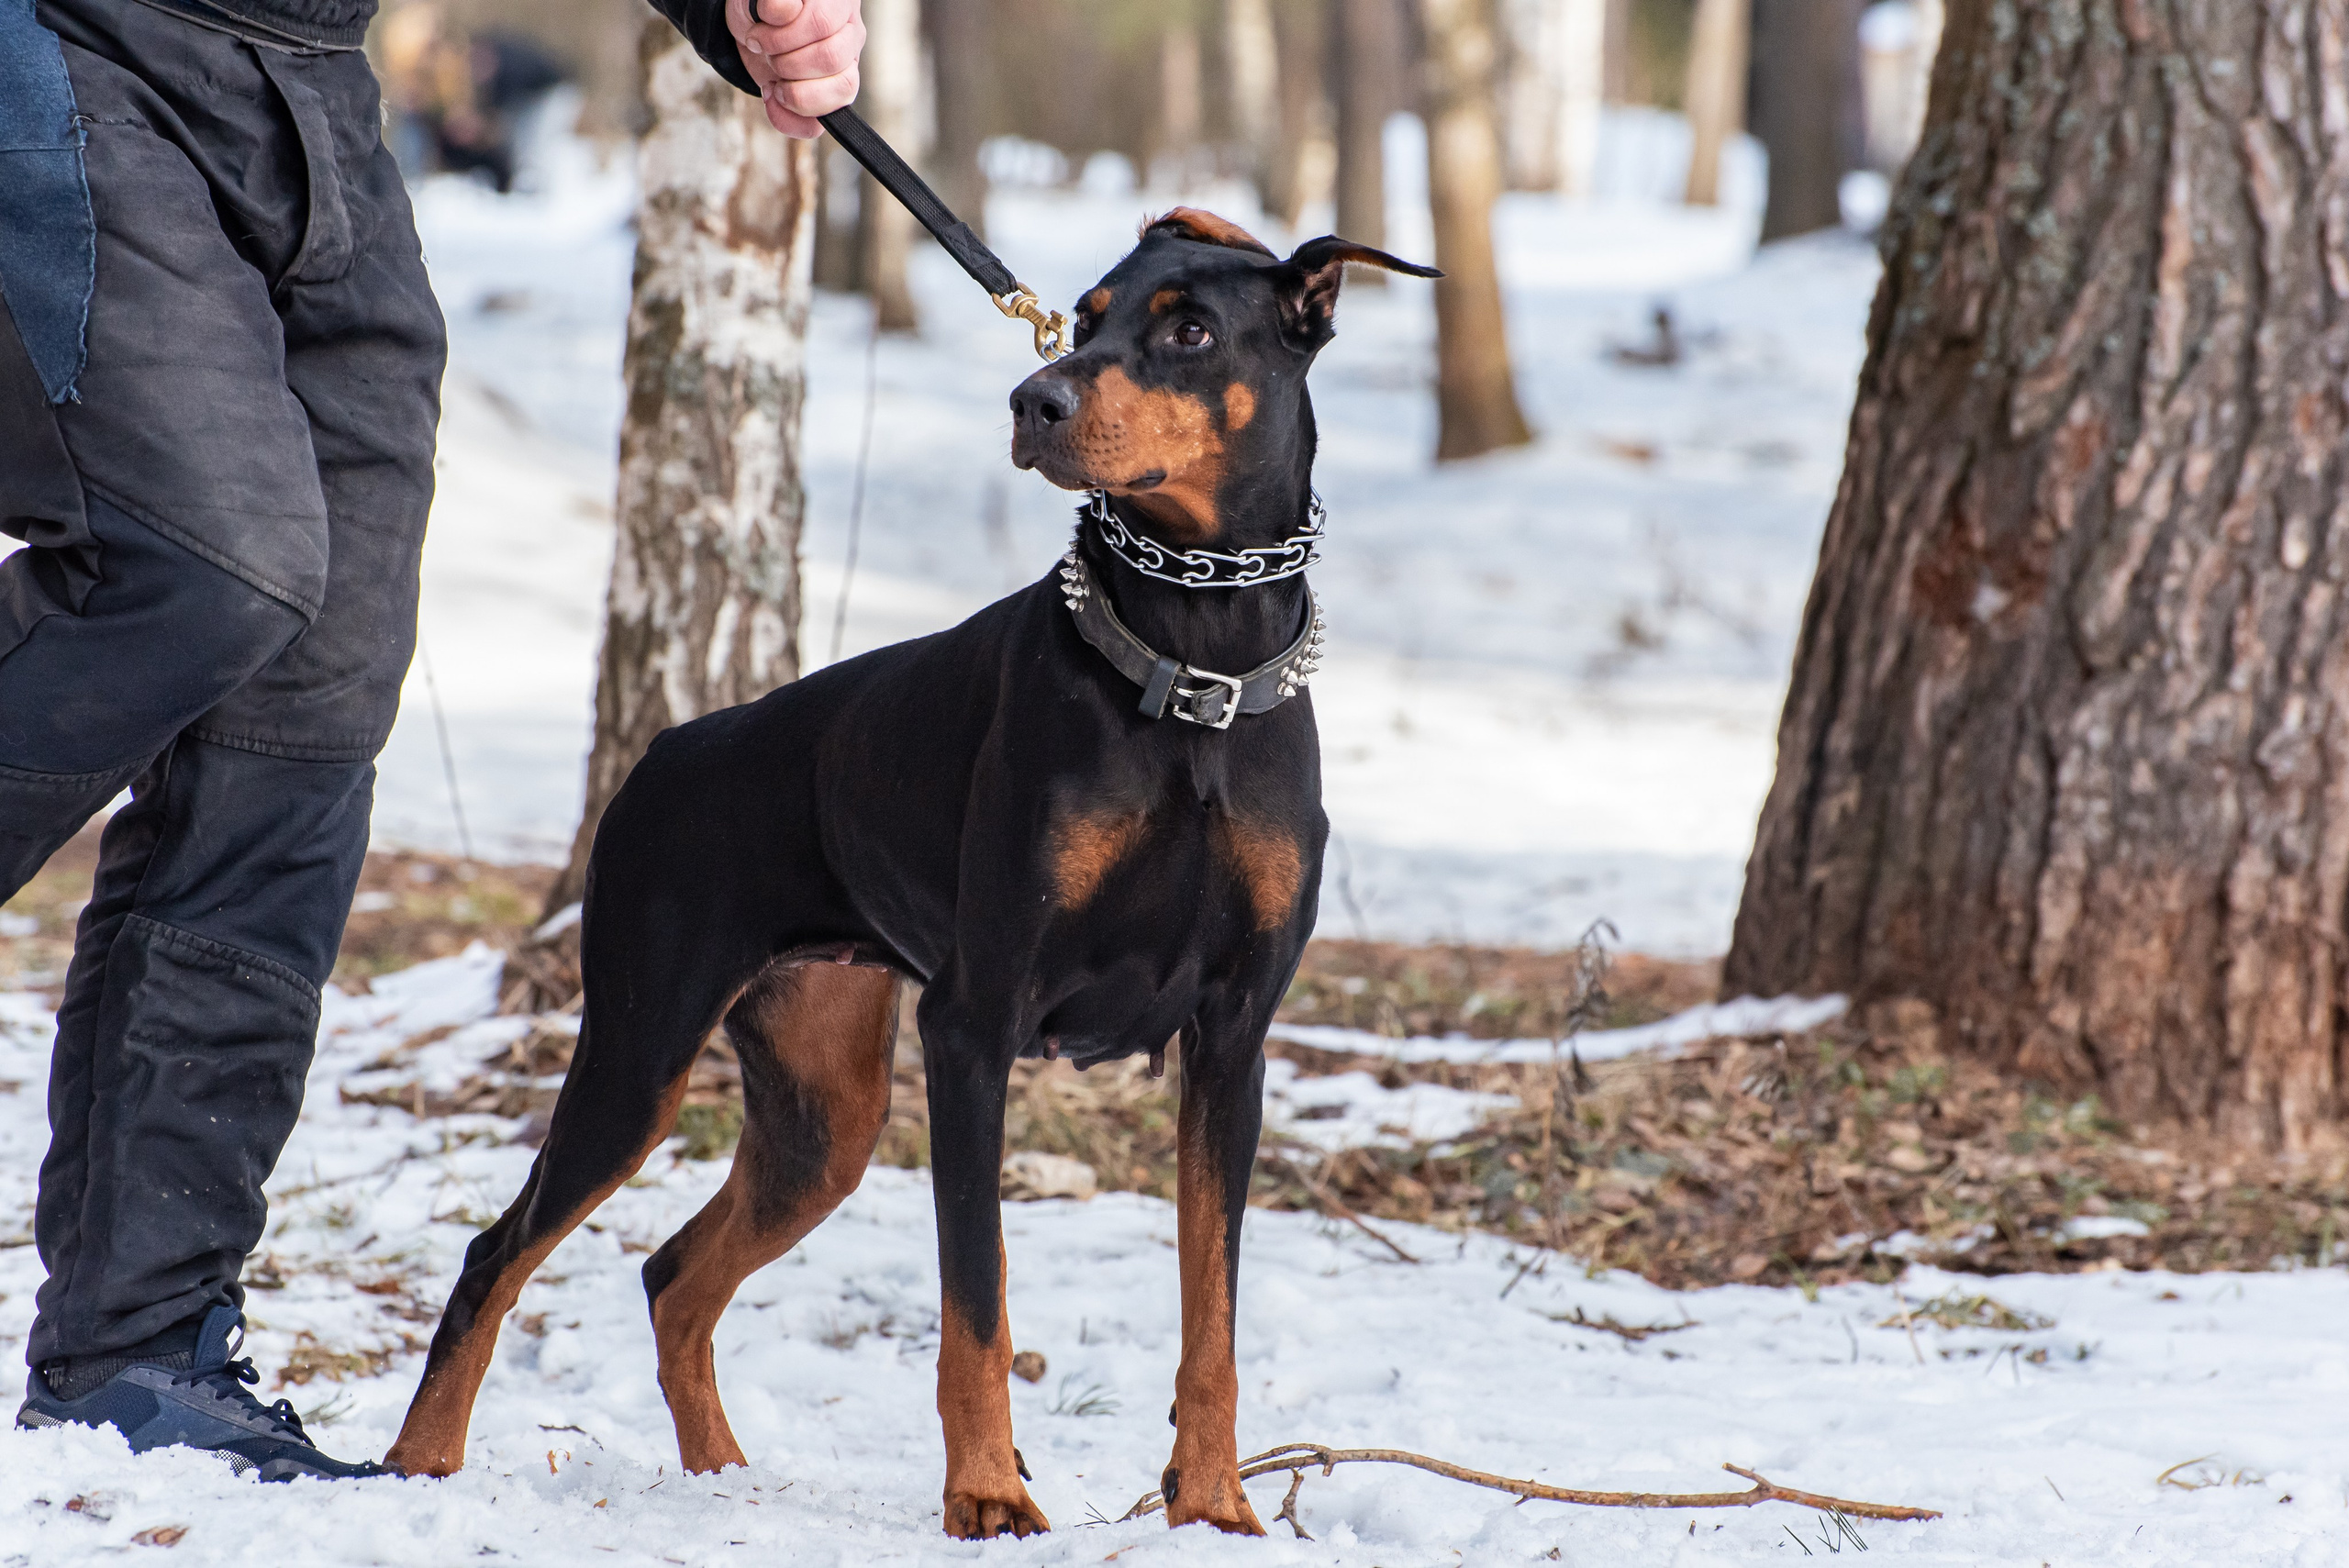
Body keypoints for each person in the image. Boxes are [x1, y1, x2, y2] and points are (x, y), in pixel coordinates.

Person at [0, 0, 863, 1481]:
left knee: (312, 675)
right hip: (64, 42)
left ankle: (138, 1349)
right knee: (214, 558)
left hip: (314, 83)